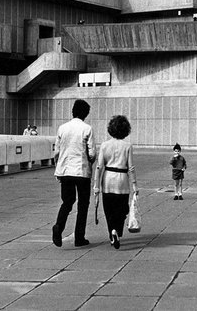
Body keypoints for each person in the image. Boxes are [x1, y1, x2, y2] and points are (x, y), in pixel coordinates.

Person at [52, 100, 95, 248]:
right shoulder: (87, 129)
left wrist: (58, 168)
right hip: (81, 171)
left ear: (73, 111)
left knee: (67, 202)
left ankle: (58, 226)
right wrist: (91, 161)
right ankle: (79, 237)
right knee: (83, 204)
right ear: (86, 114)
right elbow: (92, 153)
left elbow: (56, 152)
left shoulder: (62, 128)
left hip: (65, 171)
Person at [93, 115, 138, 249]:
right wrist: (134, 184)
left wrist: (96, 186)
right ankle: (117, 230)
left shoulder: (105, 145)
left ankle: (112, 231)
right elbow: (131, 167)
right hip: (122, 180)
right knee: (122, 208)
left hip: (108, 179)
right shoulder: (128, 146)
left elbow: (99, 166)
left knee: (109, 209)